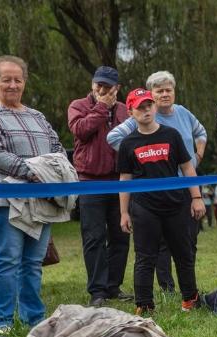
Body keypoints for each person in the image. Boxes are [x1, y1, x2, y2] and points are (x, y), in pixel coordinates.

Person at [0, 56, 68, 333]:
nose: (13, 85)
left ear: (24, 82)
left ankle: (34, 318)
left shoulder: (37, 116)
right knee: (6, 260)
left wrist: (51, 173)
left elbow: (58, 148)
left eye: (18, 79)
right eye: (6, 79)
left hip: (43, 199)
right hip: (8, 200)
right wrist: (34, 172)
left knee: (33, 262)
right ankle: (1, 321)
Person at [107, 70, 207, 292]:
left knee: (186, 245)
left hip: (182, 190)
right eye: (159, 90)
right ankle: (161, 291)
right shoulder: (136, 129)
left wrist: (197, 157)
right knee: (151, 250)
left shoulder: (179, 119)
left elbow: (200, 136)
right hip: (148, 195)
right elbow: (115, 143)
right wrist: (141, 158)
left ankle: (189, 295)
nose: (164, 94)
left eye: (168, 90)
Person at [67, 66, 132, 307]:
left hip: (119, 181)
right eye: (98, 85)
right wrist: (102, 107)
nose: (101, 89)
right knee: (93, 237)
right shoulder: (78, 106)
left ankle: (113, 286)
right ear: (92, 83)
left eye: (107, 86)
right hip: (89, 181)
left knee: (120, 236)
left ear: (117, 88)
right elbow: (80, 130)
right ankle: (97, 290)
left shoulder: (126, 110)